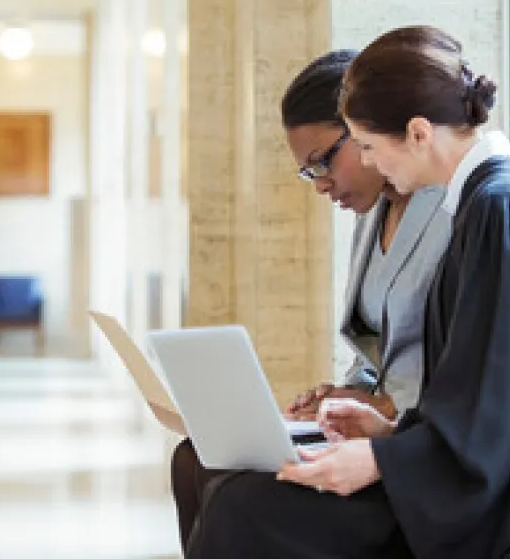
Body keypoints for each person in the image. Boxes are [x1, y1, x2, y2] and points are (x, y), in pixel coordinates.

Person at [185, 25, 510, 559]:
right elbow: (483, 396)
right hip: (477, 478)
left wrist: (381, 460)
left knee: (244, 509)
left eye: (368, 146)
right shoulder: (498, 198)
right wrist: (392, 432)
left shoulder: (501, 209)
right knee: (236, 495)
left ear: (418, 133)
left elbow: (495, 416)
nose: (370, 164)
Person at [170, 49, 452, 551]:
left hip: (414, 455)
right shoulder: (371, 214)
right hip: (371, 431)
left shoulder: (458, 214)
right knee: (195, 458)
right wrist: (345, 396)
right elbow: (378, 347)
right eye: (308, 171)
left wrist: (382, 407)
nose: (321, 183)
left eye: (324, 161)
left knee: (240, 502)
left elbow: (464, 379)